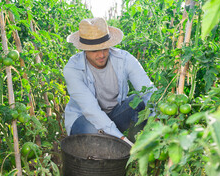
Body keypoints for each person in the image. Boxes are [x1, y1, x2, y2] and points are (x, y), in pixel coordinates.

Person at [63, 17, 155, 146]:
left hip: (114, 115)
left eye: (105, 48)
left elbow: (149, 91)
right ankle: (121, 147)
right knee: (95, 134)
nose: (101, 55)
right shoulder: (73, 69)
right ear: (84, 49)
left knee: (139, 101)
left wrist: (155, 118)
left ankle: (136, 150)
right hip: (84, 119)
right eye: (95, 50)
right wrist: (122, 139)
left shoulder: (124, 59)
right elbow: (91, 111)